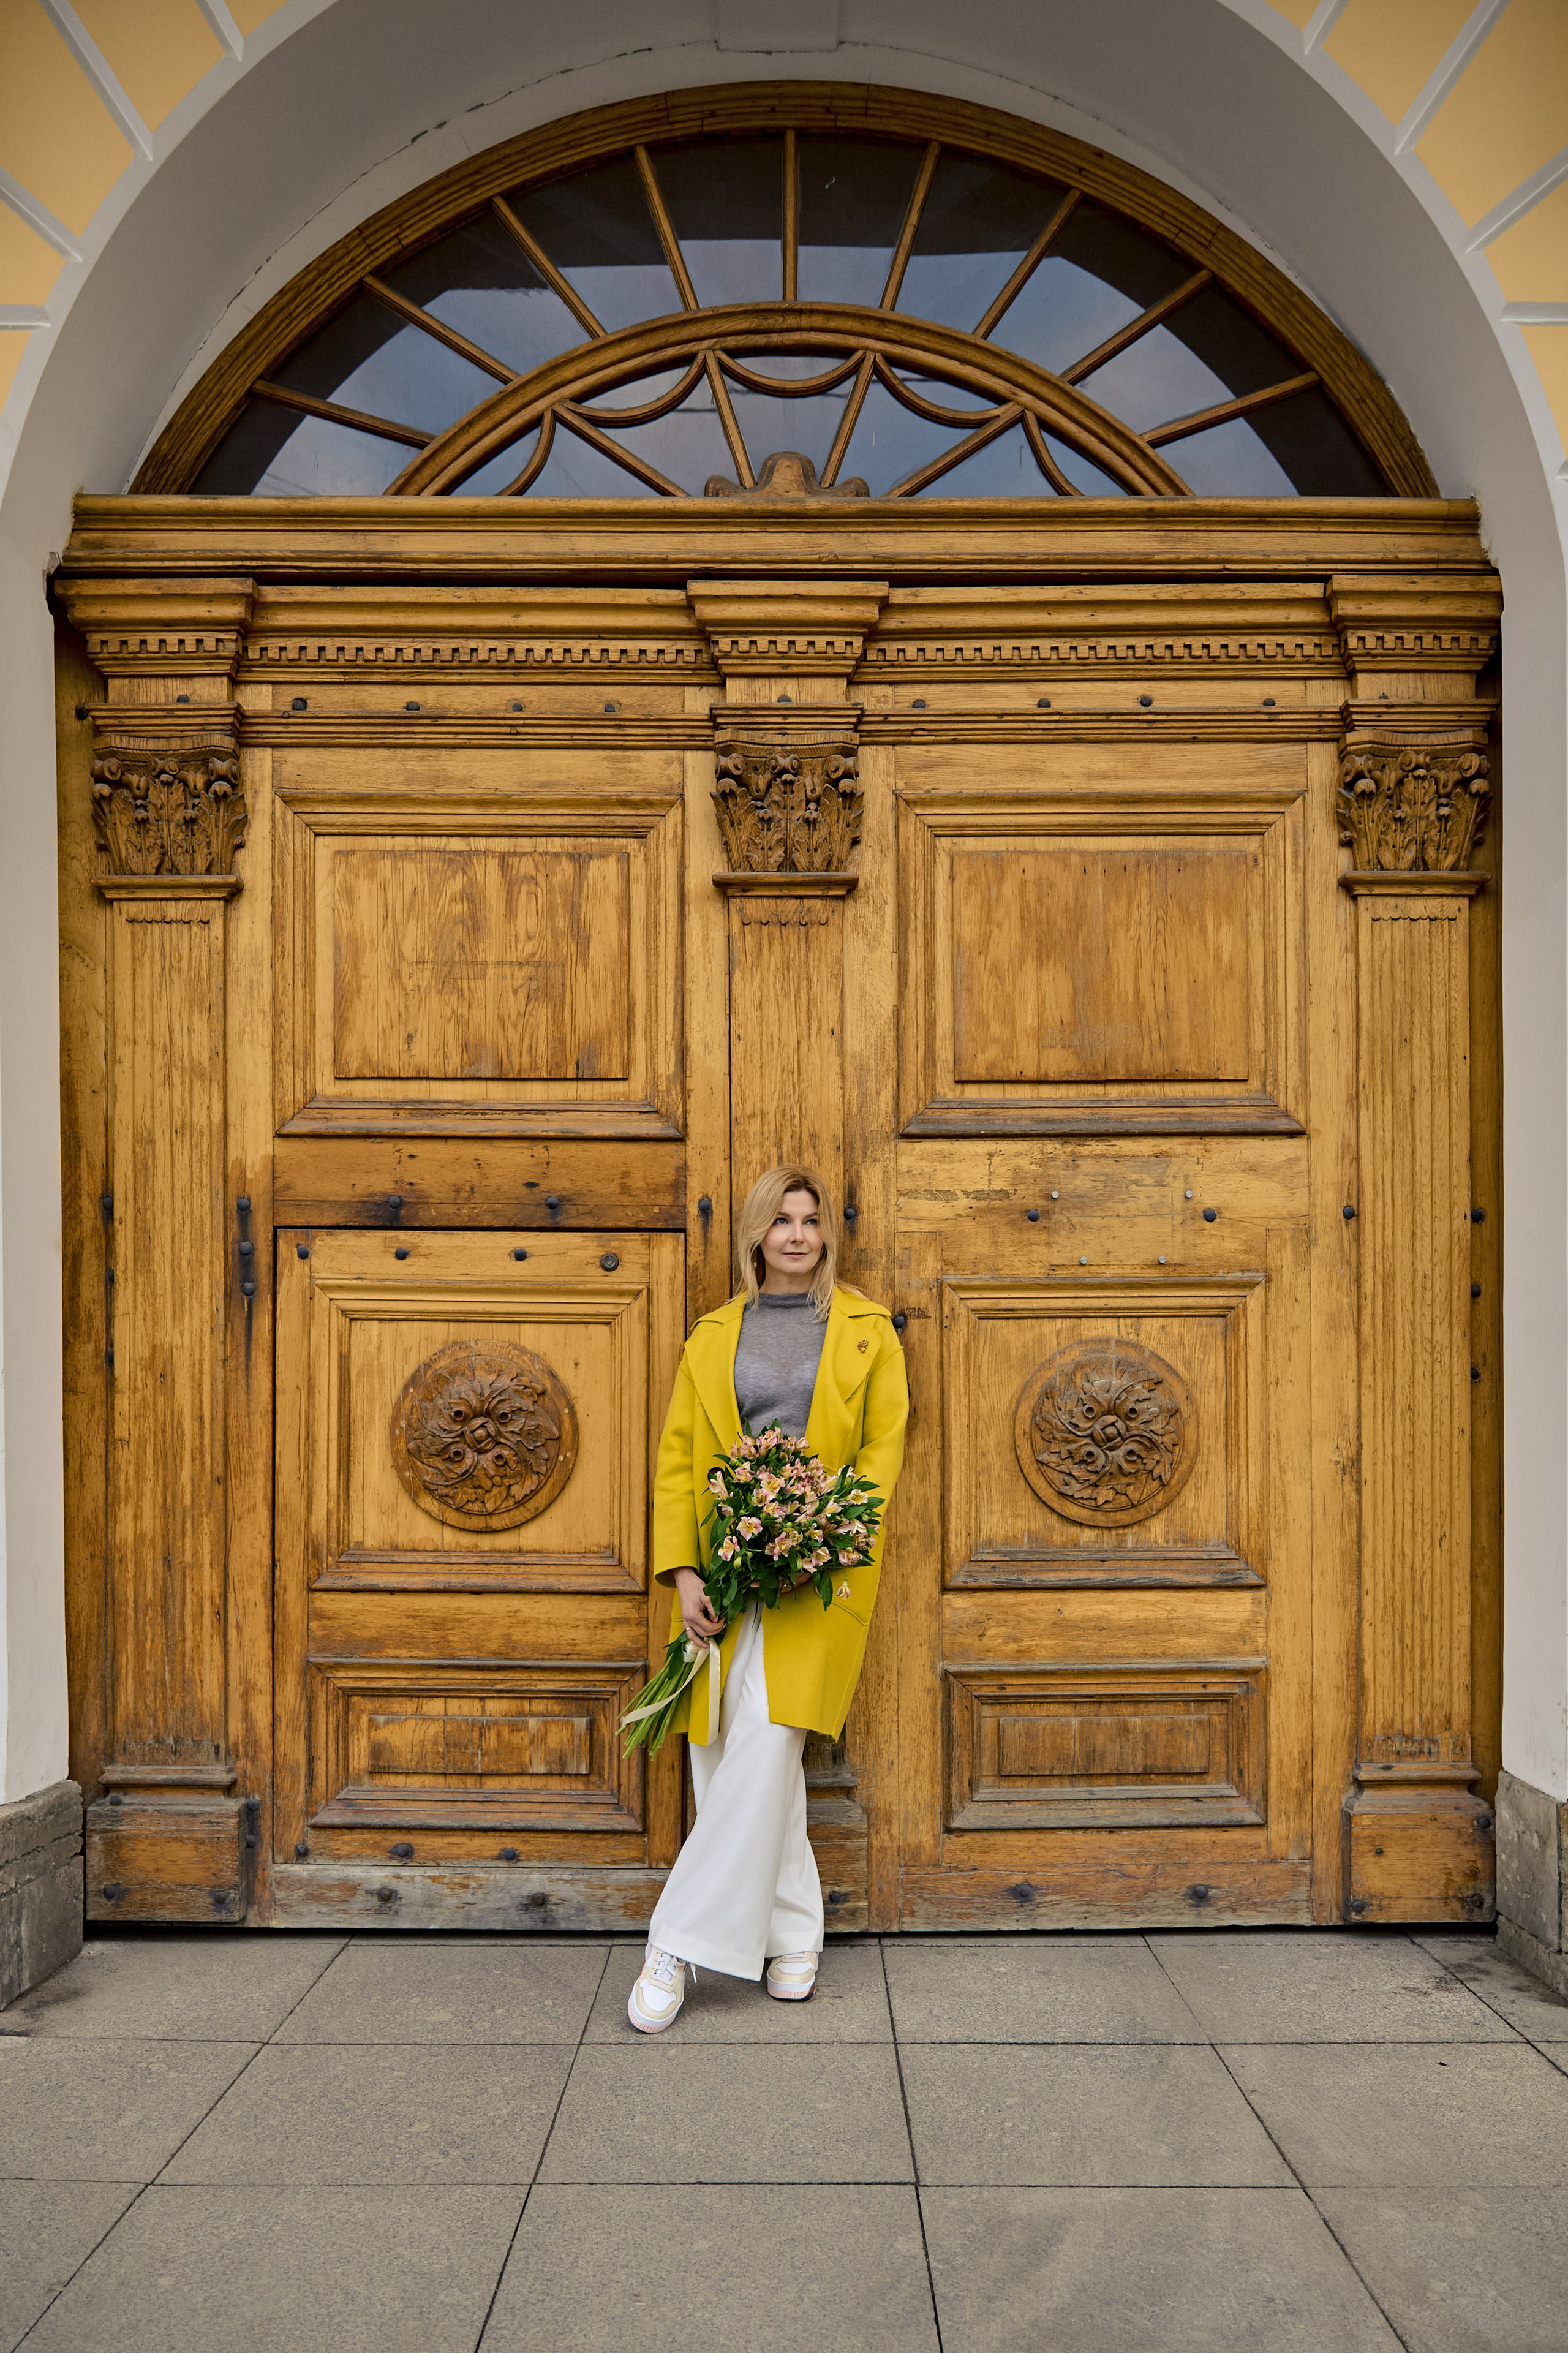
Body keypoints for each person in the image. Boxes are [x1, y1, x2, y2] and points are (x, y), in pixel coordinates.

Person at [628, 1165, 908, 2031]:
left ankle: (674, 1942)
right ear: (756, 1235)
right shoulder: (714, 1334)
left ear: (826, 1235)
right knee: (721, 1749)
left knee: (767, 1738)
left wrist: (822, 1531)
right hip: (725, 1562)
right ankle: (793, 1934)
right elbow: (679, 1460)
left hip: (821, 1569)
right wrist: (682, 1573)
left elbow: (879, 1455)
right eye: (781, 1220)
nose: (797, 1234)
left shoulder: (867, 1331)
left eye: (811, 1220)